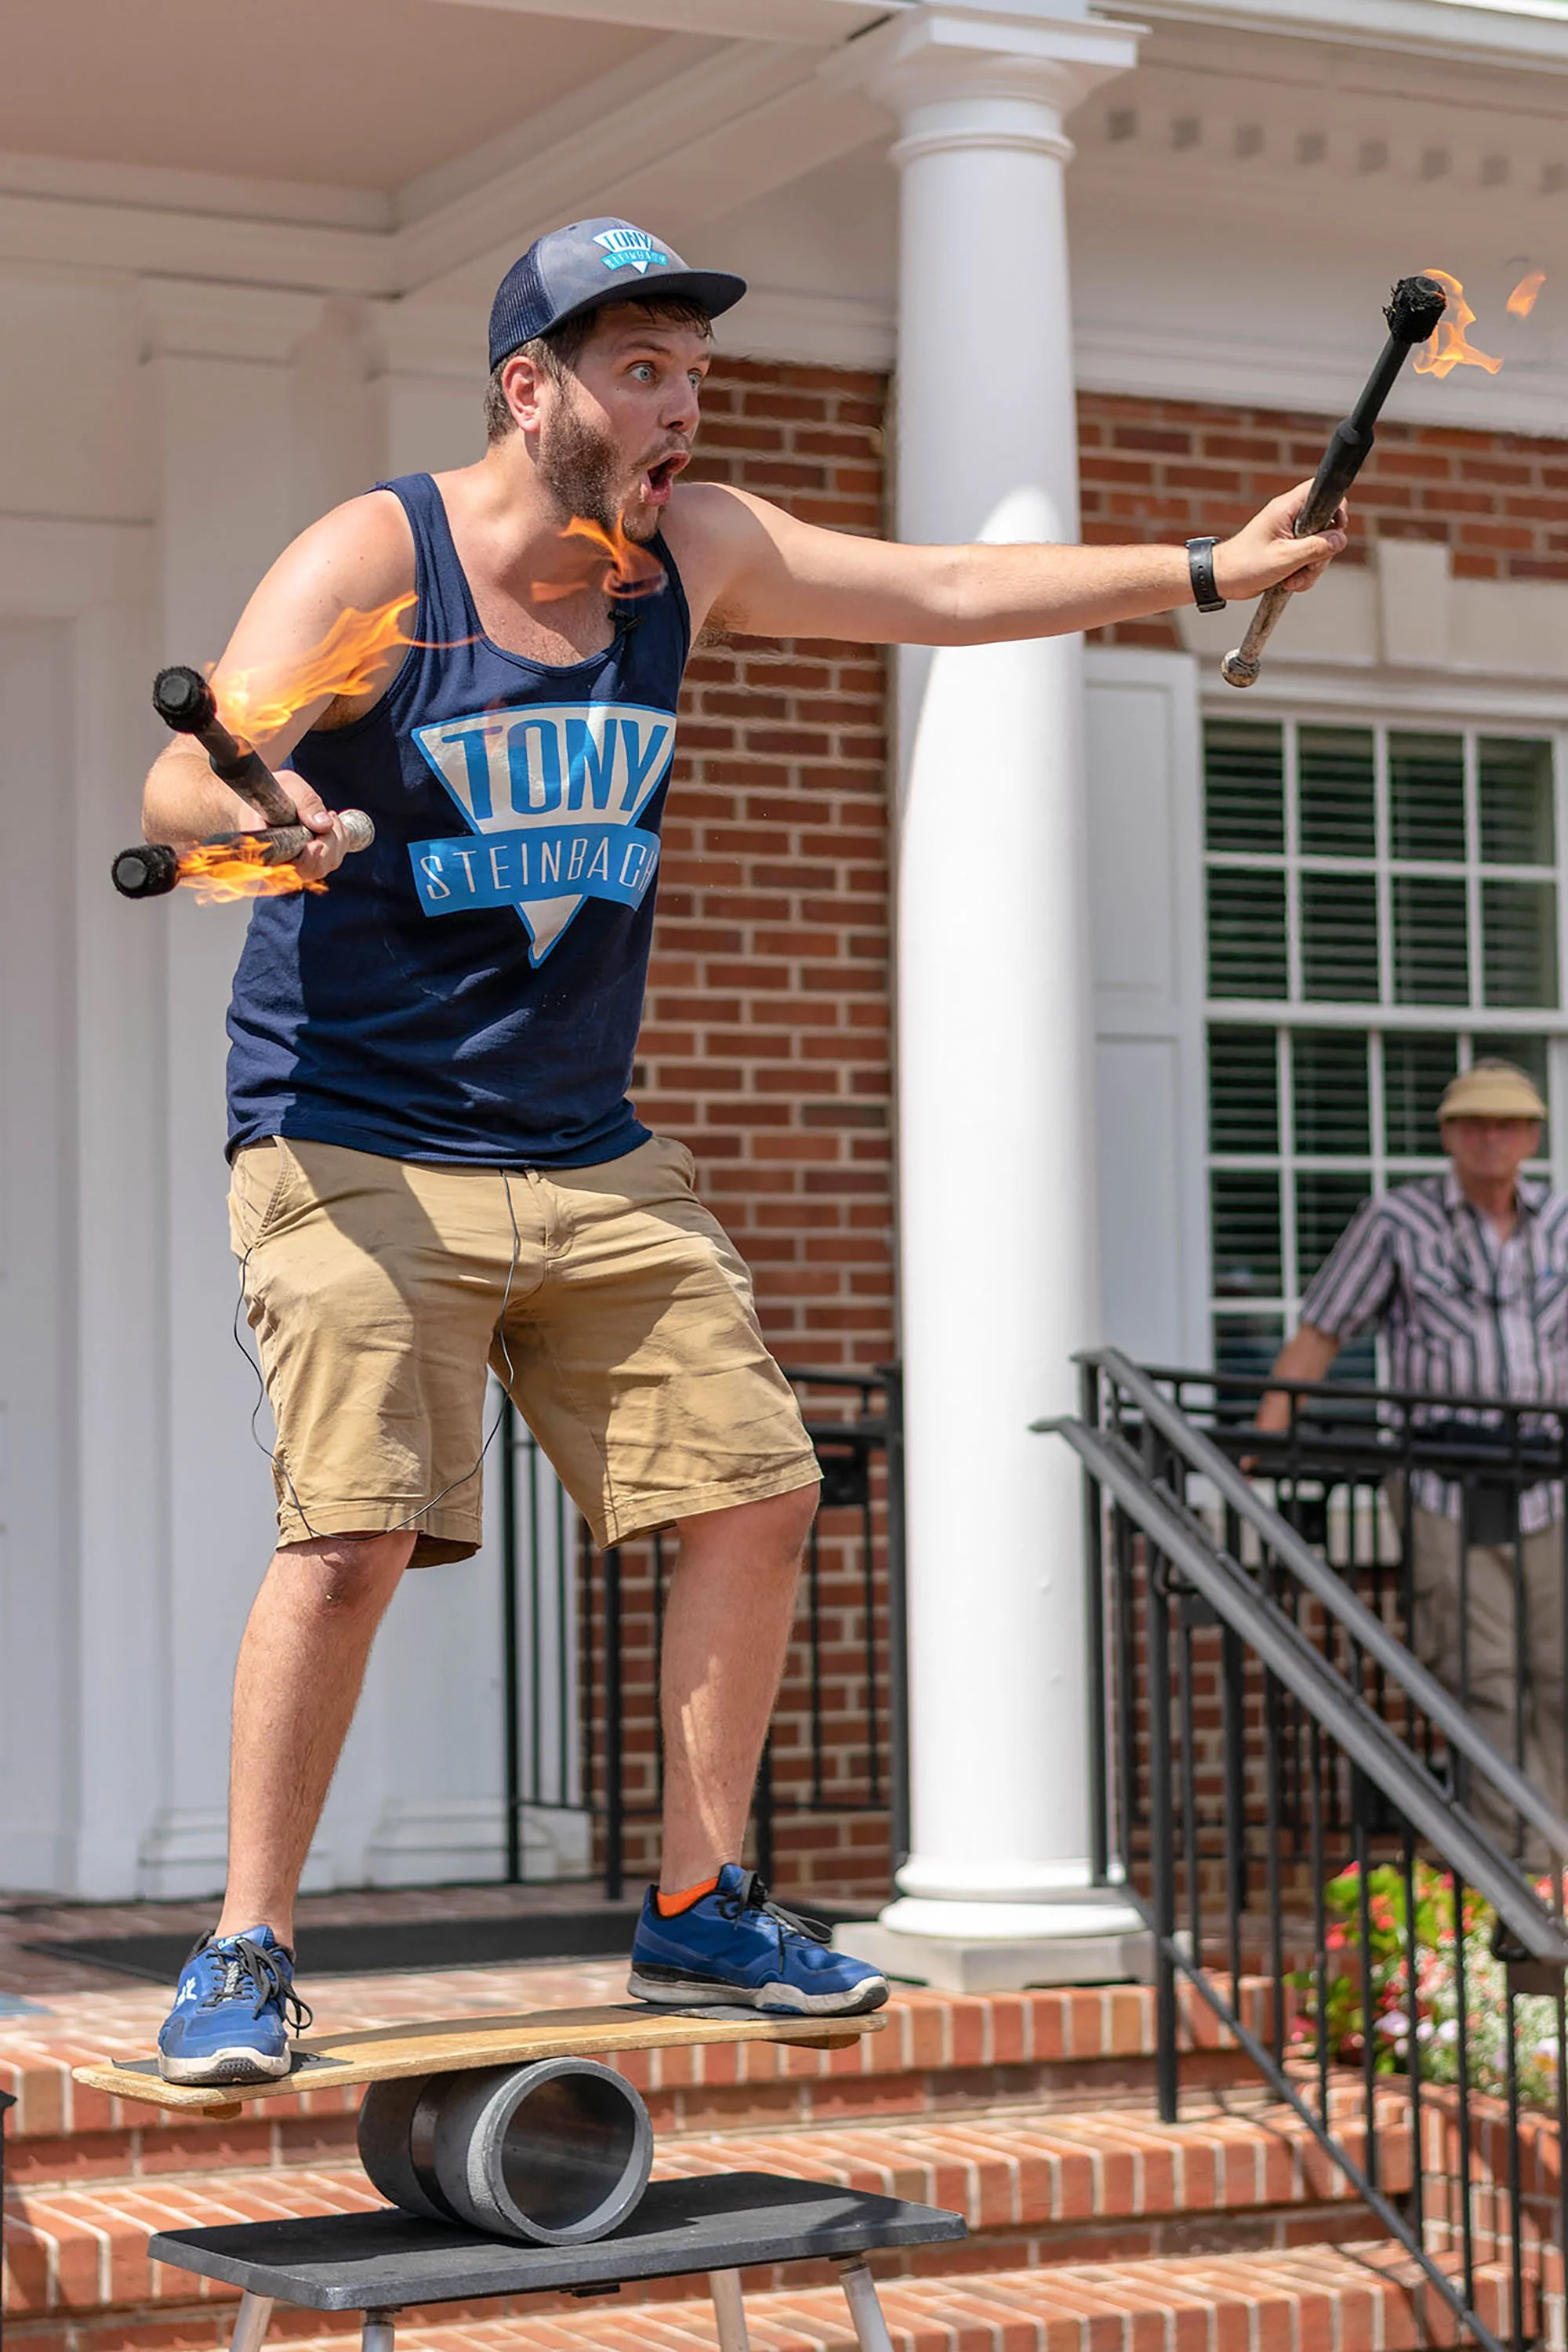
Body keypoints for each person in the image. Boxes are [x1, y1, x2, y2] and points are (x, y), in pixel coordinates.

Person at [143, 214, 1346, 2085]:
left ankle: (699, 1910)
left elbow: (943, 585)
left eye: (691, 370)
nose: (679, 404)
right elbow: (184, 774)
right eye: (639, 370)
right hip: (352, 1130)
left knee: (757, 1486)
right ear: (527, 389)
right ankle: (244, 1945)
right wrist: (266, 810)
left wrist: (1196, 567)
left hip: (581, 1140)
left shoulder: (686, 557)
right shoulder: (382, 556)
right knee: (353, 1539)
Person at [1254, 1060, 1568, 1842]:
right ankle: (1520, 1882)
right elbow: (1321, 1330)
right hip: (1443, 1480)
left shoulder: (1561, 1221)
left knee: (1558, 1675)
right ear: (1447, 1135)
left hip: (1550, 1480)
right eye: (1472, 1123)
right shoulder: (1396, 1222)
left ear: (1531, 1135)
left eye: (1505, 1123)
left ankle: (1558, 1856)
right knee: (1481, 1677)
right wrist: (1257, 1446)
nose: (1489, 1138)